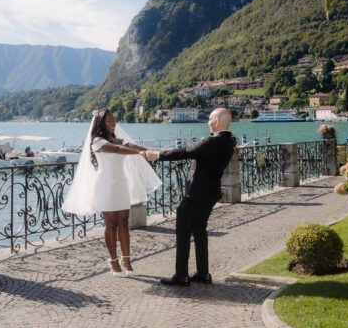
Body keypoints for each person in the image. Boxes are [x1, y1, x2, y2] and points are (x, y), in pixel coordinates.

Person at [142, 108, 236, 286]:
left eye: (209, 119)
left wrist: (157, 155)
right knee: (200, 230)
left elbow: (185, 152)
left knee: (183, 230)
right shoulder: (229, 141)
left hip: (196, 193)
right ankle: (202, 273)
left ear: (216, 122)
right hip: (210, 193)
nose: (208, 122)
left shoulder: (211, 142)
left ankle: (181, 275)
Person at [62, 109, 161, 277]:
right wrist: (140, 153)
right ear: (100, 123)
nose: (113, 123)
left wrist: (156, 152)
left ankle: (127, 260)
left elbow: (131, 145)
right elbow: (117, 150)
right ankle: (113, 262)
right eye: (109, 120)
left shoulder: (116, 139)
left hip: (121, 184)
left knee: (123, 221)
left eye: (114, 120)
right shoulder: (97, 141)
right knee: (111, 224)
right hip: (105, 185)